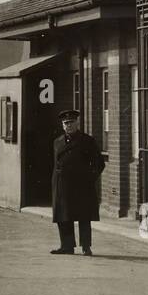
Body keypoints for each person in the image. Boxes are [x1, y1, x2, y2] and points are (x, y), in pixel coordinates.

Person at [51, 108, 104, 256]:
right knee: (63, 216)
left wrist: (88, 179)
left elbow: (99, 163)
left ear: (77, 123)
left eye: (72, 122)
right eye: (66, 123)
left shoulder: (87, 141)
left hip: (81, 186)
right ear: (62, 125)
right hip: (62, 184)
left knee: (83, 216)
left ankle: (86, 246)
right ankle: (67, 246)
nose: (69, 125)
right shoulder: (57, 142)